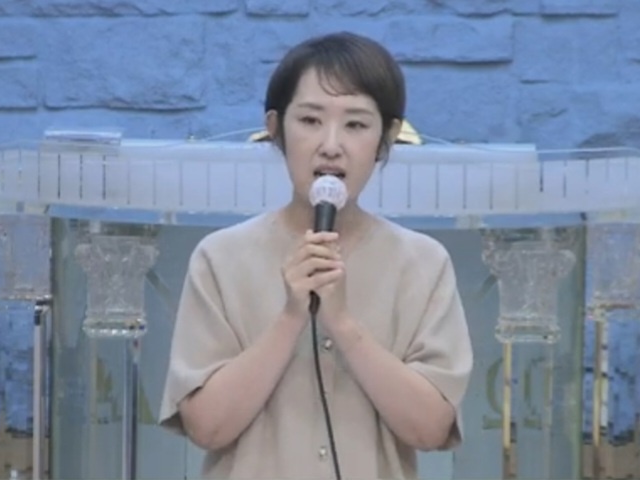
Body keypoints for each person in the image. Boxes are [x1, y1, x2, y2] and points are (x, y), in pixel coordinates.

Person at [159, 31, 473, 480]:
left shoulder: (423, 264)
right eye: (309, 120)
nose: (331, 145)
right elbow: (206, 427)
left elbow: (430, 429)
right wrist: (291, 316)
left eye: (356, 125)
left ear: (386, 138)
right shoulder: (220, 258)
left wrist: (342, 323)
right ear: (275, 129)